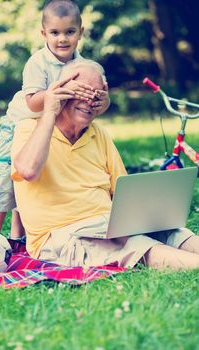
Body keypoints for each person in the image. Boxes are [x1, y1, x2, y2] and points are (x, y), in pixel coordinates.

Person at [11, 59, 199, 270]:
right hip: (61, 236)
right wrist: (49, 112)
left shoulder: (98, 133)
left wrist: (147, 218)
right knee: (134, 245)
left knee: (174, 233)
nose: (90, 101)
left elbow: (123, 191)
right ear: (61, 91)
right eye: (81, 92)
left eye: (96, 95)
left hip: (107, 224)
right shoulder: (29, 128)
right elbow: (28, 170)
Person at [0, 0, 110, 240]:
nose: (62, 39)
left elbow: (99, 103)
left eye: (69, 32)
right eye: (55, 33)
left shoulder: (84, 66)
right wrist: (59, 90)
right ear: (44, 34)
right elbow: (32, 102)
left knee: (34, 180)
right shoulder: (37, 63)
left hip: (49, 129)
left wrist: (103, 102)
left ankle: (18, 235)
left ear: (80, 33)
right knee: (5, 180)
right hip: (18, 124)